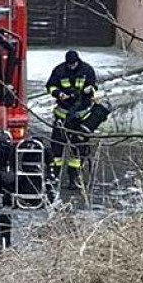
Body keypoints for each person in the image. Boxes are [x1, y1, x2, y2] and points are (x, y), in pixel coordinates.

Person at [45, 50, 98, 189]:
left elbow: (93, 85)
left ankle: (73, 179)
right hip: (62, 116)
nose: (72, 67)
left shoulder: (87, 70)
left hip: (80, 117)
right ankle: (53, 177)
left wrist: (89, 90)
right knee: (57, 149)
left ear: (77, 62)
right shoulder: (59, 70)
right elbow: (50, 86)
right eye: (69, 64)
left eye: (74, 64)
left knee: (78, 150)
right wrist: (59, 93)